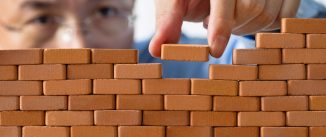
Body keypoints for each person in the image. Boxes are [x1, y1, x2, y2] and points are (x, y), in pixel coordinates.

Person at [0, 0, 325, 78]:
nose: (78, 46)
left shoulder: (182, 69)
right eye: (40, 19)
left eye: (105, 11)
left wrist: (284, 19)